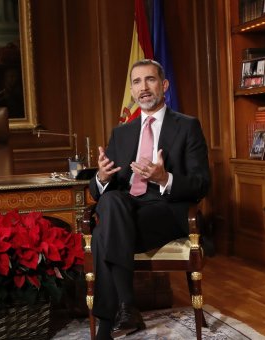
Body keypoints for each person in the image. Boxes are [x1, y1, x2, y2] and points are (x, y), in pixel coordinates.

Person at [89, 59, 210, 339]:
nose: (143, 88)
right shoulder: (121, 133)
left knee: (102, 234)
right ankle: (123, 310)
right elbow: (98, 191)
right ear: (132, 91)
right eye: (136, 82)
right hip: (127, 209)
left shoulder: (187, 126)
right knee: (109, 202)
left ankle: (112, 319)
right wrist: (103, 178)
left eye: (150, 80)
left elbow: (202, 184)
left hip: (165, 210)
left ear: (164, 85)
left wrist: (164, 178)